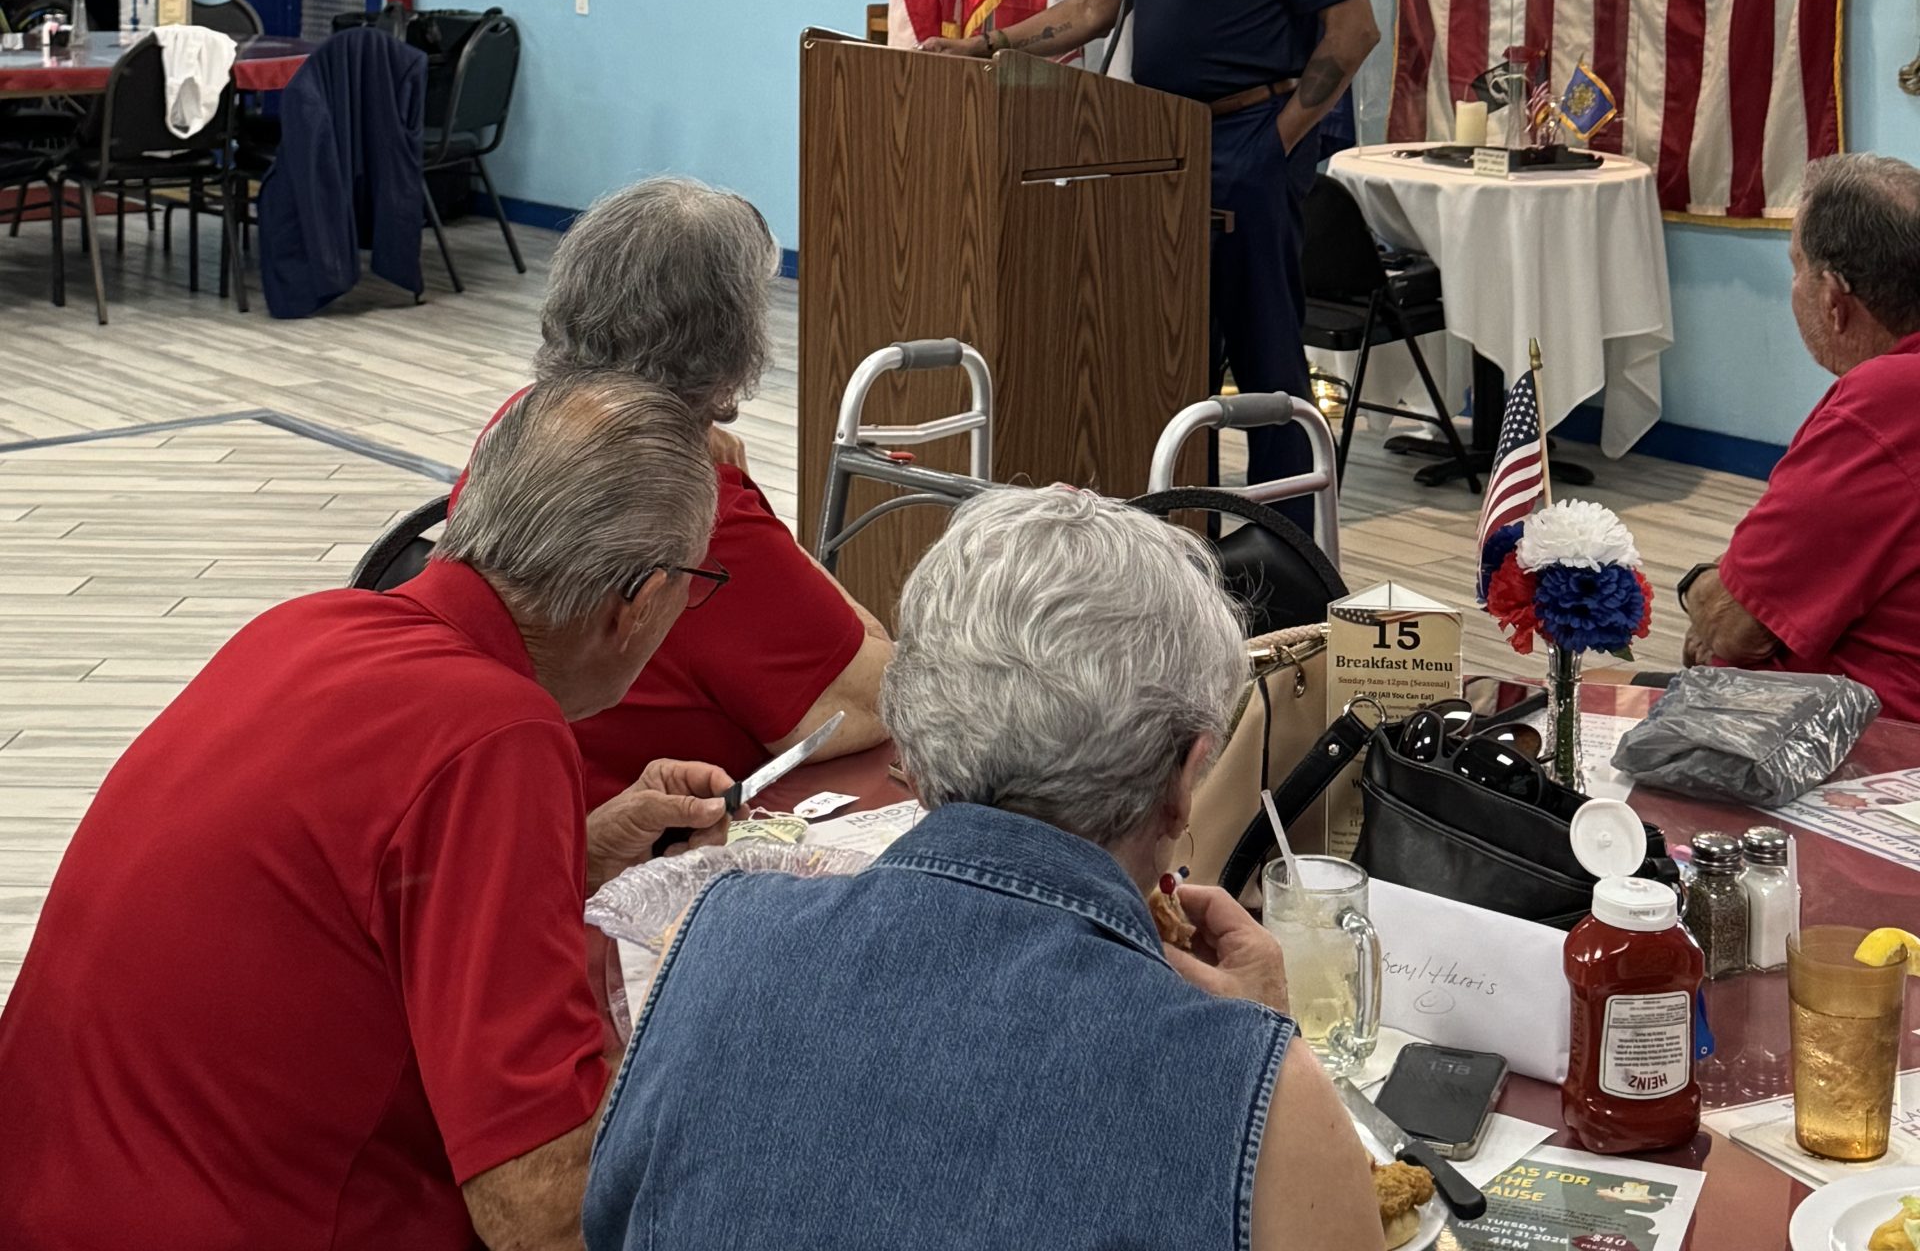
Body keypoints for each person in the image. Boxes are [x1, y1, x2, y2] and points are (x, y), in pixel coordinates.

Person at [0, 374, 730, 1251]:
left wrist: (573, 854)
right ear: (640, 601)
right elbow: (537, 1212)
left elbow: (339, 901)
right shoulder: (495, 731)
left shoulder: (307, 626)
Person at [585, 485, 1382, 1251]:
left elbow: (612, 1221)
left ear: (913, 750)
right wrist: (1260, 1050)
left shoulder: (715, 938)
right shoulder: (1258, 1086)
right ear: (1186, 777)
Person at [926, 0, 1379, 508]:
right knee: (1170, 352)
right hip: (1158, 144)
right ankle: (1181, 528)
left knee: (1265, 358)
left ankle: (1288, 543)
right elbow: (1094, 10)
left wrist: (1274, 141)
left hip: (1247, 144)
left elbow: (1353, 32)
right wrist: (985, 46)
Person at [463, 175, 891, 801]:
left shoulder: (519, 425)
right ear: (736, 343)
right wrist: (753, 510)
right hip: (637, 828)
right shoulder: (701, 514)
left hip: (513, 784)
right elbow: (869, 701)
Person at [1681, 154, 1920, 720]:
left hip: (1859, 739)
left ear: (1834, 299)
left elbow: (1734, 628)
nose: (1794, 286)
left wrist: (1701, 586)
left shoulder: (1888, 402)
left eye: (1796, 267)